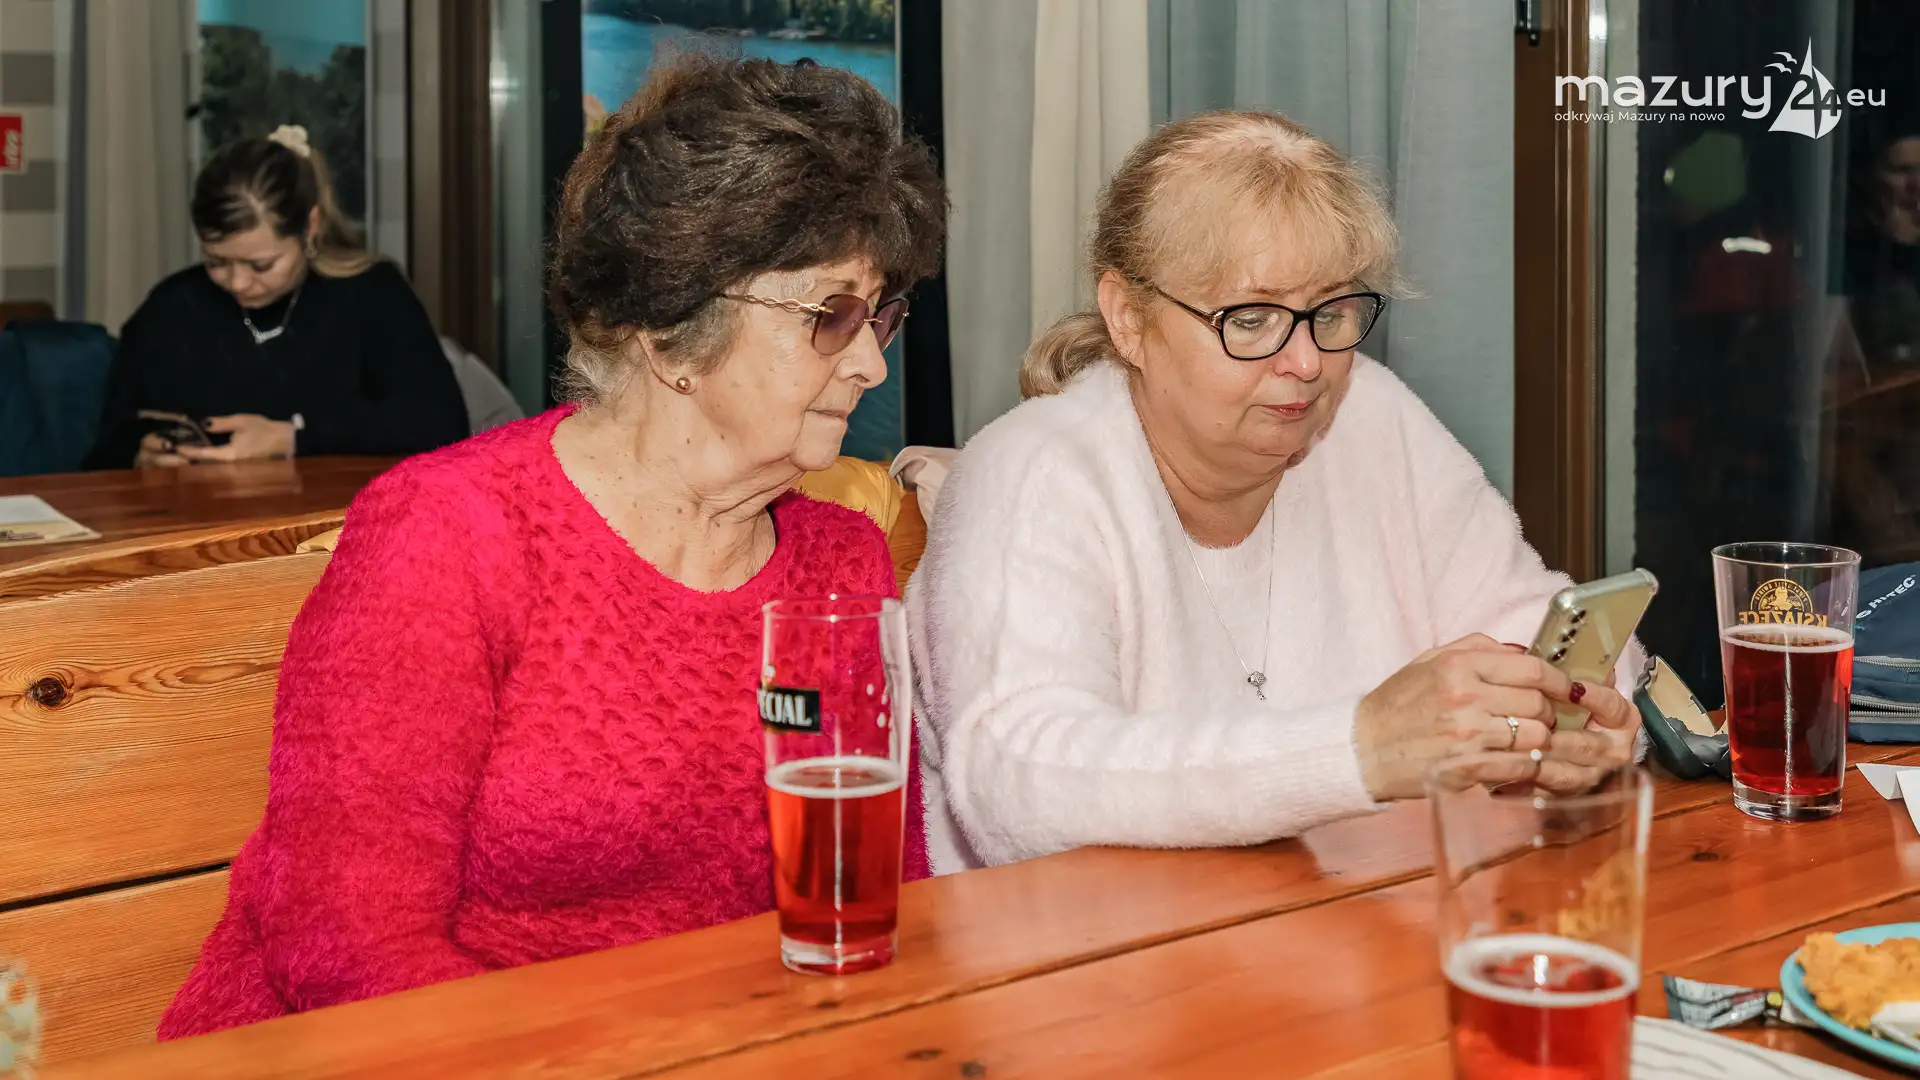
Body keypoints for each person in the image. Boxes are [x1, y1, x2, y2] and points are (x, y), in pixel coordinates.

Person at [159, 54, 946, 1036]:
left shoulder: (840, 565)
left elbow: (882, 904)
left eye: (880, 315)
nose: (871, 362)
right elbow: (349, 946)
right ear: (670, 334)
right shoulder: (450, 536)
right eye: (830, 314)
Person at [909, 109, 1641, 874]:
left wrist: (1575, 727)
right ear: (1128, 318)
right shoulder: (1034, 474)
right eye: (1251, 319)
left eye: (1331, 312)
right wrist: (1361, 748)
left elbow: (1548, 628)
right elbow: (1020, 788)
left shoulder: (1371, 417)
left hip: (1354, 920)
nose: (1306, 363)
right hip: (1093, 942)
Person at [85, 125, 468, 468]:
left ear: (310, 227)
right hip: (201, 520)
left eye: (261, 265)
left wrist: (293, 437)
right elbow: (105, 450)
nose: (238, 283)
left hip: (340, 517)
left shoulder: (371, 293)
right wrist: (139, 458)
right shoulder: (170, 308)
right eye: (216, 261)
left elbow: (441, 422)